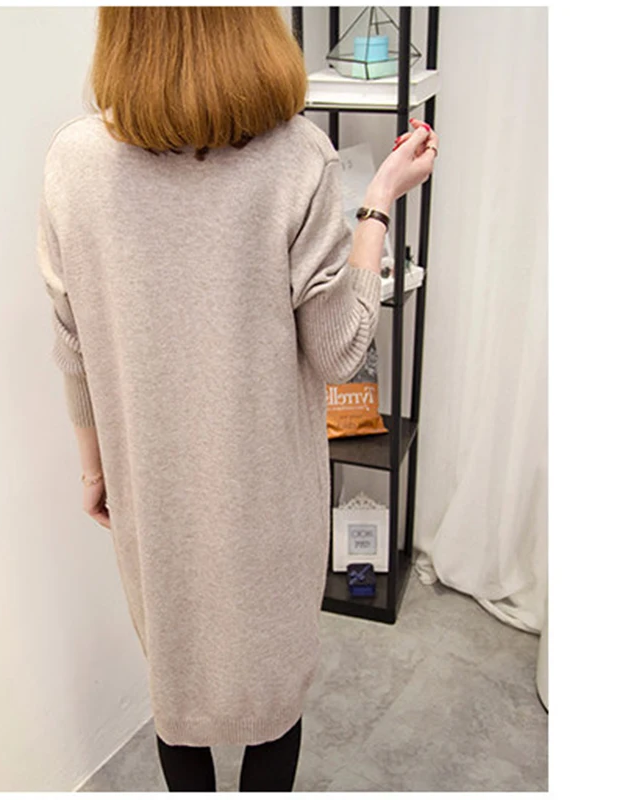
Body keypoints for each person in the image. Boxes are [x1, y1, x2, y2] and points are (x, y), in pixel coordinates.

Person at [36, 7, 438, 792]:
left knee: (176, 689)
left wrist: (95, 468)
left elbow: (72, 339)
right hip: (270, 502)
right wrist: (379, 201)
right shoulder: (298, 157)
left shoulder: (73, 162)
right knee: (273, 700)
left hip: (153, 496)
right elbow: (340, 349)